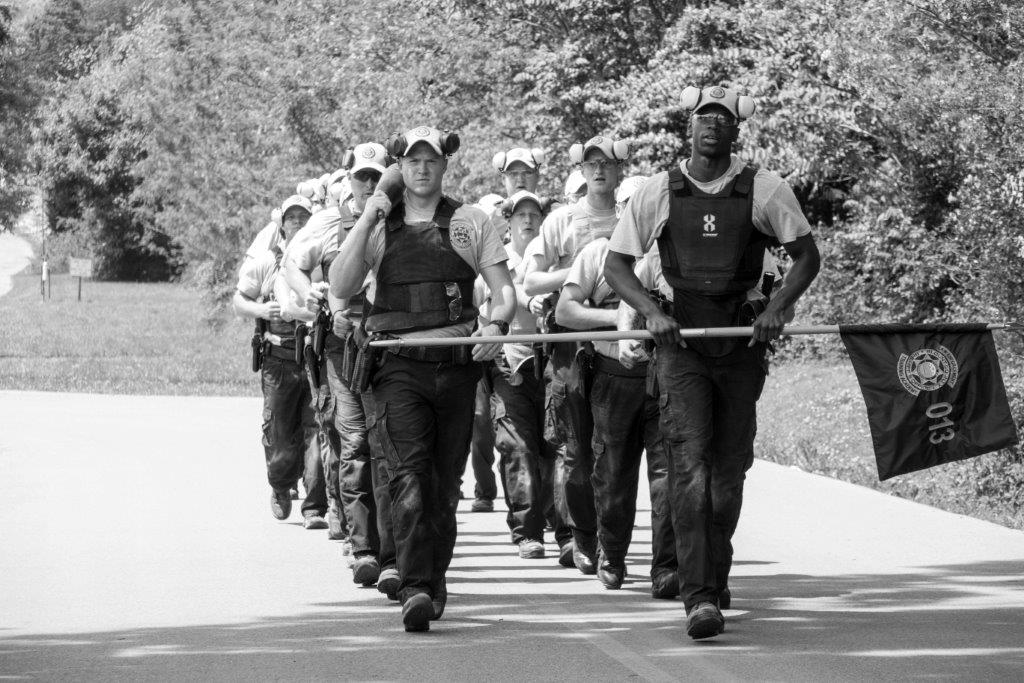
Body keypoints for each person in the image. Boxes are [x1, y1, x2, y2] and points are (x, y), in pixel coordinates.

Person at [604, 85, 821, 640]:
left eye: (723, 119)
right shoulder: (658, 190)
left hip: (742, 346)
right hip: (681, 348)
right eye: (704, 117)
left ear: (736, 130)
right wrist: (650, 311)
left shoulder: (765, 189)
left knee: (727, 473)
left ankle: (714, 575)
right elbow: (617, 266)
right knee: (690, 469)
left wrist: (776, 308)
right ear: (690, 126)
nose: (712, 126)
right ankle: (698, 596)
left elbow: (806, 256)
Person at [330, 125, 515, 632]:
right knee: (408, 475)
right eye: (412, 160)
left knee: (443, 486)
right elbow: (342, 287)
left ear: (444, 165)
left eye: (431, 159)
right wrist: (368, 216)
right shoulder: (377, 225)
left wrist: (495, 325)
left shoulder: (470, 221)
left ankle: (433, 579)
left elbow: (504, 294)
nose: (422, 167)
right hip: (396, 371)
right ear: (401, 167)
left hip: (456, 368)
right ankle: (413, 585)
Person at [284, 143, 398, 594]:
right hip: (342, 349)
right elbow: (294, 263)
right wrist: (306, 291)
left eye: (376, 176)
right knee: (353, 443)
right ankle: (363, 549)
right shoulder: (328, 222)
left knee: (386, 445)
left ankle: (391, 553)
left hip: (390, 347)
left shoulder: (403, 216)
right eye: (361, 177)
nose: (370, 185)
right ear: (347, 179)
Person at [523, 134, 629, 574]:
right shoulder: (561, 220)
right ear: (582, 172)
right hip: (570, 347)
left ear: (620, 170)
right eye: (591, 164)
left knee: (615, 453)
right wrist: (584, 267)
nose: (599, 170)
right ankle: (580, 534)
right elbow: (530, 282)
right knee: (576, 451)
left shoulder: (633, 219)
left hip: (622, 348)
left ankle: (607, 542)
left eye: (607, 164)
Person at [479, 190, 568, 559]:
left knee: (558, 446)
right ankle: (527, 532)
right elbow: (488, 302)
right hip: (509, 361)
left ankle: (568, 533)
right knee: (517, 447)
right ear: (509, 221)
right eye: (520, 215)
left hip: (554, 361)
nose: (528, 220)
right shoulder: (493, 260)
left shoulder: (558, 259)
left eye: (535, 213)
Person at [233, 194, 329, 529]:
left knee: (317, 432)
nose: (299, 222)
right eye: (292, 217)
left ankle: (315, 506)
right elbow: (239, 300)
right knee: (278, 436)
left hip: (315, 360)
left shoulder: (320, 261)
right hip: (277, 362)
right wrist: (260, 309)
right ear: (282, 224)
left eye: (305, 216)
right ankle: (280, 484)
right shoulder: (265, 262)